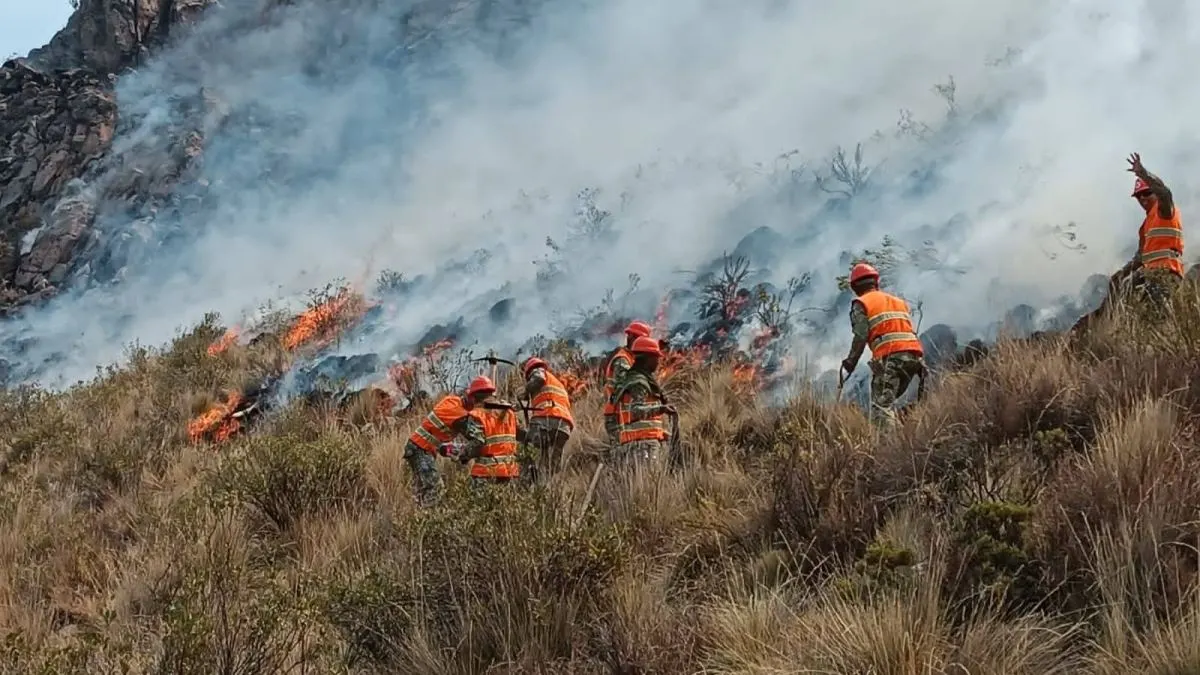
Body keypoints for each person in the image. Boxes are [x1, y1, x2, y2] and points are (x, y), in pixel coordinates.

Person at [840, 262, 926, 427]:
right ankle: (906, 436)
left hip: (891, 358)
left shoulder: (862, 303)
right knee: (889, 402)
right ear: (875, 282)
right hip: (915, 358)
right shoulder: (897, 301)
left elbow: (860, 336)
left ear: (855, 287)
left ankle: (891, 449)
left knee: (881, 407)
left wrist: (850, 362)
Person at [403, 382, 487, 506]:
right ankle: (428, 520)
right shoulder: (458, 413)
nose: (477, 404)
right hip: (420, 448)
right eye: (477, 400)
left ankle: (419, 516)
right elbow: (477, 438)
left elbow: (444, 430)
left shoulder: (452, 400)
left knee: (422, 491)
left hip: (417, 447)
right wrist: (465, 453)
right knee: (435, 487)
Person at [1118, 152, 1184, 309]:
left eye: (1147, 193)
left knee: (1158, 314)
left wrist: (1143, 173)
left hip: (1166, 272)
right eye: (1139, 196)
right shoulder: (1147, 224)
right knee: (1128, 294)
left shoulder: (1165, 210)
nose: (1143, 198)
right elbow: (1141, 257)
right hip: (1150, 274)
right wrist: (1120, 275)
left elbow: (1164, 192)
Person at [455, 375, 528, 488]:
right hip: (509, 471)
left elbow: (478, 443)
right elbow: (522, 434)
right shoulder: (509, 412)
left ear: (474, 397)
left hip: (485, 473)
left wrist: (463, 455)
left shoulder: (477, 415)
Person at [612, 336, 675, 464]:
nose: (658, 362)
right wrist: (662, 409)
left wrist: (661, 433)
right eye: (656, 358)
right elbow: (636, 411)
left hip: (639, 442)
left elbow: (640, 421)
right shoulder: (639, 383)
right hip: (642, 445)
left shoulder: (637, 379)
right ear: (648, 359)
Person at [519, 357, 575, 479]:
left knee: (528, 446)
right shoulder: (558, 383)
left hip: (546, 418)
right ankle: (547, 482)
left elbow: (538, 379)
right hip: (564, 426)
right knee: (551, 463)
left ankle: (527, 480)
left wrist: (525, 391)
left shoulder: (538, 371)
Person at [602, 320, 653, 446]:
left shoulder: (631, 359)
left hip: (623, 412)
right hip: (616, 413)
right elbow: (626, 385)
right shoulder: (622, 359)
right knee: (619, 451)